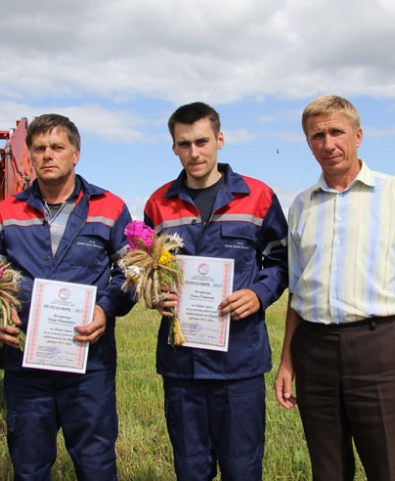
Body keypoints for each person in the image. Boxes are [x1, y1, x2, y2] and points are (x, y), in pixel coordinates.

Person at [274, 95, 395, 481]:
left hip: (378, 348)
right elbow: (297, 294)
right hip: (313, 350)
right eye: (317, 135)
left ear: (358, 135)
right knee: (328, 470)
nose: (328, 144)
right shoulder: (302, 205)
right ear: (307, 142)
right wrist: (287, 361)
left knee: (386, 467)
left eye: (337, 132)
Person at [0, 113, 135, 481]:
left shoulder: (110, 207)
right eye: (39, 148)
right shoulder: (6, 212)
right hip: (26, 366)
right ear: (30, 156)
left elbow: (132, 272)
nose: (47, 155)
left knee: (96, 463)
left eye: (57, 147)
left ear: (76, 153)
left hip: (89, 364)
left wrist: (106, 307)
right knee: (29, 465)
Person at [145, 102, 288, 481]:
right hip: (182, 364)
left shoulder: (258, 196)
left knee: (243, 469)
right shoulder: (158, 204)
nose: (194, 152)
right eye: (184, 143)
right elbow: (146, 269)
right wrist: (157, 295)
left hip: (238, 362)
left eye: (202, 141)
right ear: (173, 147)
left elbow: (280, 262)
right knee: (191, 469)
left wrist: (258, 294)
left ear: (220, 140)